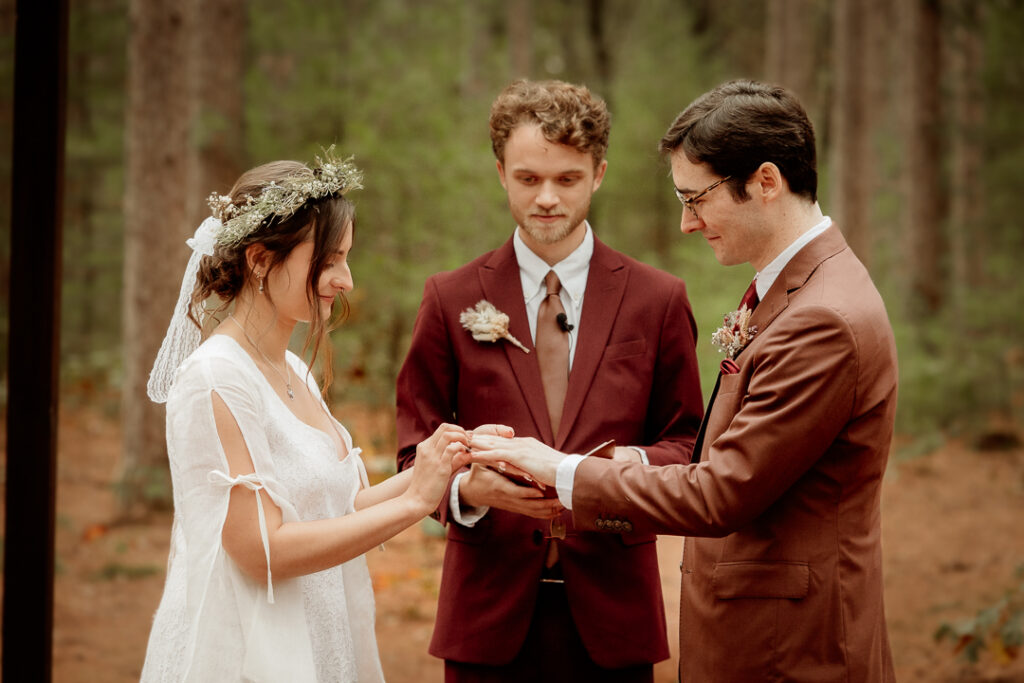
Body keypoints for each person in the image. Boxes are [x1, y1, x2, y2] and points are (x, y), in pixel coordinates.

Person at [469, 79, 899, 682]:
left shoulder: (821, 317)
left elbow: (718, 492)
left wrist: (557, 467)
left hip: (791, 651)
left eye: (696, 199)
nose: (686, 224)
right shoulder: (799, 289)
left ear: (766, 182)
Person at [140, 151, 501, 682]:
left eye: (345, 259)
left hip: (323, 635)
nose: (345, 279)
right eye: (329, 261)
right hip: (255, 654)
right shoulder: (215, 378)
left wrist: (434, 467)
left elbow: (340, 506)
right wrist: (418, 503)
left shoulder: (291, 369)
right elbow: (260, 551)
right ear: (261, 259)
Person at [395, 80, 704, 681]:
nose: (547, 198)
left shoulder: (659, 300)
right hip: (485, 618)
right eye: (528, 178)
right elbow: (414, 452)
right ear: (500, 174)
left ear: (599, 175)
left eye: (566, 178)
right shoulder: (449, 298)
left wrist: (604, 475)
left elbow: (688, 444)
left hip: (615, 617)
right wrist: (468, 491)